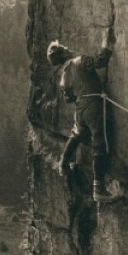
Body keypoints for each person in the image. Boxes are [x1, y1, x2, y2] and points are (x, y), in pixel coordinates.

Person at [46, 37, 118, 204]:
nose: (69, 48)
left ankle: (64, 163)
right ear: (64, 53)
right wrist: (106, 45)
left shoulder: (63, 77)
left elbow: (69, 99)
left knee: (78, 132)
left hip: (80, 108)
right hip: (93, 105)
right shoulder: (80, 61)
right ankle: (98, 190)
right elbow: (100, 62)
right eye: (65, 48)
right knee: (101, 143)